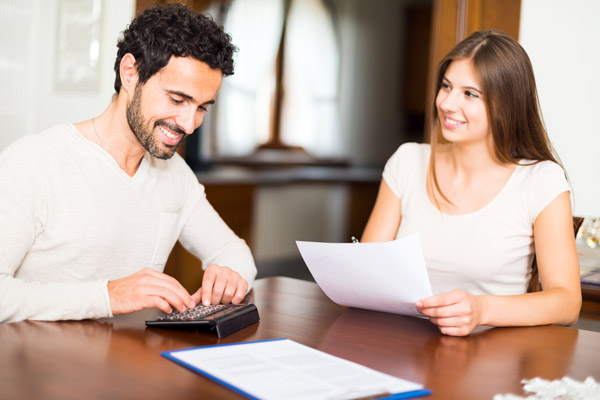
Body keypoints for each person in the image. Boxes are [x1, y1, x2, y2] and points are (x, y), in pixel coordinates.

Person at [0, 4, 256, 323]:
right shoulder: (33, 163)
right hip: (42, 366)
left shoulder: (175, 175)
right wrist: (108, 295)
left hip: (129, 362)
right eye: (177, 100)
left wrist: (229, 273)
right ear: (130, 74)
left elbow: (236, 252)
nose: (190, 124)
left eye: (202, 107)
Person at [361, 29, 581, 336]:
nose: (448, 104)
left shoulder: (541, 180)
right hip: (400, 347)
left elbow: (567, 303)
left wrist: (482, 309)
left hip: (490, 359)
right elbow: (366, 271)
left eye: (469, 94)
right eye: (446, 86)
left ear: (506, 104)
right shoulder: (408, 161)